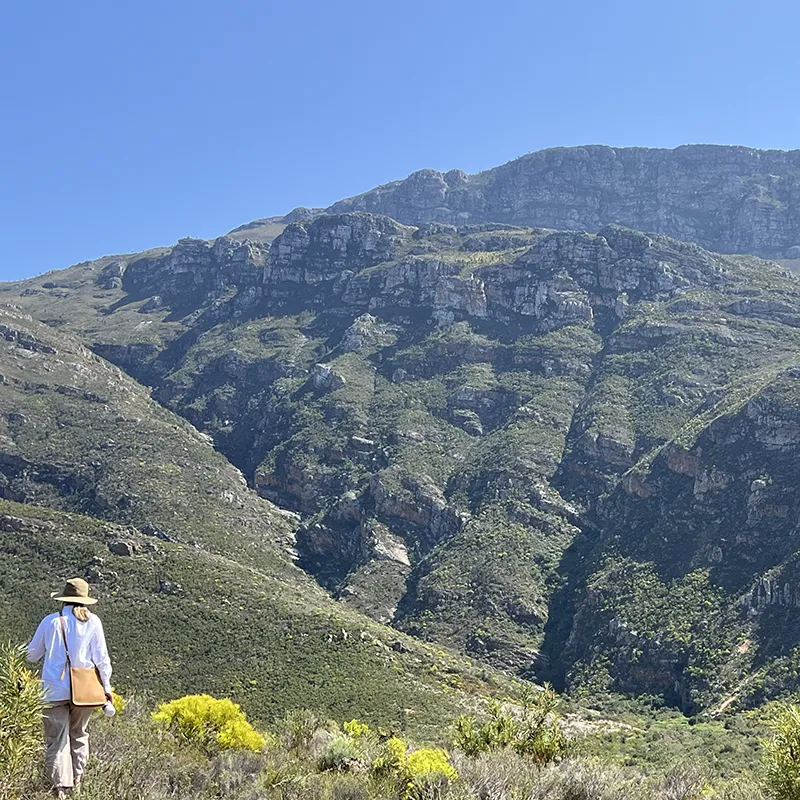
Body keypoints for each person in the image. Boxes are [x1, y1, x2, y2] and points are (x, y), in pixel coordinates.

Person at [27, 577, 113, 799]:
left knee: (57, 739)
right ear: (84, 600)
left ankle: (59, 790)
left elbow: (31, 655)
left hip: (53, 690)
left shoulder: (51, 622)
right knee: (79, 734)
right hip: (84, 691)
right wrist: (107, 688)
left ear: (63, 600)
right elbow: (102, 659)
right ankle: (77, 781)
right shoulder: (93, 622)